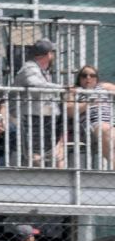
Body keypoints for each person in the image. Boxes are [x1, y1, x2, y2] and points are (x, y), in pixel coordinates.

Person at [14, 38, 66, 167]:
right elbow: (34, 85)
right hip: (28, 117)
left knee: (56, 153)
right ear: (48, 54)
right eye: (52, 52)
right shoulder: (29, 67)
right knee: (36, 155)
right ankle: (38, 179)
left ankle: (58, 181)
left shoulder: (42, 70)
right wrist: (61, 87)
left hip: (42, 117)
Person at [68, 65, 115, 167]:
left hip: (111, 124)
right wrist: (89, 103)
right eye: (84, 75)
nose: (88, 78)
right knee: (105, 129)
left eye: (92, 75)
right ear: (79, 78)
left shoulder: (104, 87)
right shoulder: (76, 91)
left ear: (96, 78)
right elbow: (70, 111)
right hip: (91, 128)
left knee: (107, 133)